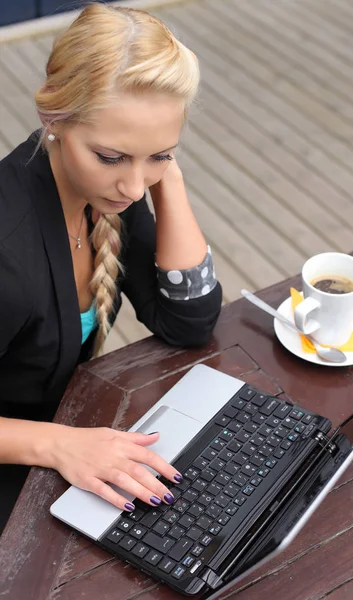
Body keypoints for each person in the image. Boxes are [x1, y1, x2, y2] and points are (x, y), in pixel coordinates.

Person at [0, 4, 222, 535]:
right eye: (110, 155)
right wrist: (56, 444)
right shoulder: (7, 249)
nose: (133, 187)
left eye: (160, 155)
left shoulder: (113, 194)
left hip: (70, 429)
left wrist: (166, 175)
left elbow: (188, 320)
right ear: (52, 118)